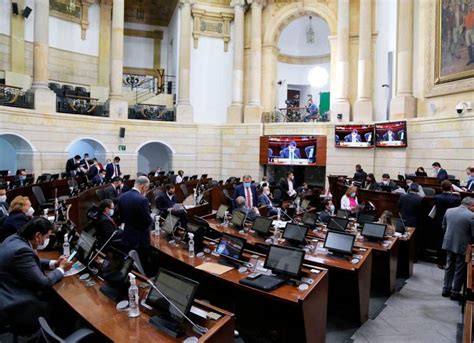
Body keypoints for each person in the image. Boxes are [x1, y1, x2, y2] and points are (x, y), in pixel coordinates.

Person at [0, 217, 72, 335]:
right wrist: (61, 269)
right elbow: (43, 282)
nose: (47, 240)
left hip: (6, 290)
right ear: (38, 235)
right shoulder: (22, 250)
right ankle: (59, 334)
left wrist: (54, 264)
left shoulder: (14, 239)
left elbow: (31, 262)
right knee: (63, 306)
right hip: (17, 302)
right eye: (47, 236)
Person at [442, 197, 474, 300]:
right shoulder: (471, 216)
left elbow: (444, 226)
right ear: (470, 205)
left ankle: (446, 289)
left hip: (449, 242)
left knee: (449, 266)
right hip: (462, 245)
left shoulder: (449, 211)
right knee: (459, 269)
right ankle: (455, 292)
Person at [118, 176, 152, 251]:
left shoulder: (122, 196)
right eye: (147, 187)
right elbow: (148, 221)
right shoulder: (143, 199)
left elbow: (121, 217)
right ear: (142, 186)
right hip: (140, 239)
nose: (147, 190)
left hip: (127, 235)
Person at [434, 180, 461, 269]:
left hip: (439, 221)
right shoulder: (455, 199)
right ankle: (447, 261)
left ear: (441, 188)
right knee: (449, 241)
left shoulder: (437, 197)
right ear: (451, 188)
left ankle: (439, 262)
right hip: (451, 222)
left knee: (439, 241)